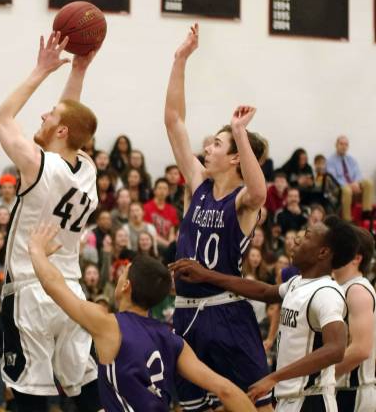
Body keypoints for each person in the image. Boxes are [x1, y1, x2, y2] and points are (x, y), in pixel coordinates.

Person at [28, 224, 256, 411]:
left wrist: (36, 250)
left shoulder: (108, 325)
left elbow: (53, 285)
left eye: (122, 275)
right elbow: (225, 389)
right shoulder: (173, 340)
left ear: (126, 286)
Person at [164, 23, 272, 411]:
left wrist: (240, 132)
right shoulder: (199, 184)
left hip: (226, 311)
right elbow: (174, 122)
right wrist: (180, 59)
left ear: (234, 158)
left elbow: (260, 192)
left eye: (216, 143)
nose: (206, 147)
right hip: (187, 313)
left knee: (259, 405)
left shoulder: (244, 199)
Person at [0, 31, 101, 411]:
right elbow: (70, 118)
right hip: (71, 292)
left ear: (60, 131)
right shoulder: (87, 170)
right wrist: (79, 70)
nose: (43, 112)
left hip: (31, 288)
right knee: (86, 388)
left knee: (30, 393)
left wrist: (41, 69)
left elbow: (2, 118)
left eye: (49, 115)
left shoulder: (37, 165)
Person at [172, 216, 355, 411]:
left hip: (312, 400)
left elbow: (336, 349)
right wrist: (207, 275)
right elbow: (264, 292)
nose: (297, 240)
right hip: (289, 399)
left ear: (323, 252)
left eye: (307, 237)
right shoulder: (297, 283)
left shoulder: (326, 292)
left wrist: (273, 377)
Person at [334, 227, 376, 411]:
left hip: (353, 392)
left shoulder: (357, 290)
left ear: (356, 258)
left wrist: (317, 376)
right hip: (338, 389)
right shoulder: (339, 287)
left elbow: (360, 349)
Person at [326, 136, 373, 221]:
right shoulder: (330, 161)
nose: (344, 146)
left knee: (368, 183)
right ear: (336, 145)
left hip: (353, 184)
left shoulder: (351, 159)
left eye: (346, 144)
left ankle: (366, 212)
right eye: (341, 144)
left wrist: (356, 183)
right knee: (347, 189)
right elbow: (333, 178)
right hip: (339, 187)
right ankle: (347, 219)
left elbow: (358, 174)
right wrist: (350, 185)